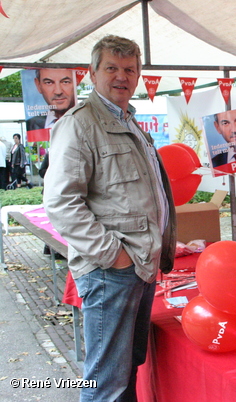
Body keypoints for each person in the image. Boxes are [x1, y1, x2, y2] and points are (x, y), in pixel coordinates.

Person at [44, 35, 177, 401]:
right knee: (106, 383)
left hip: (137, 267)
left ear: (138, 76)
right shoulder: (80, 124)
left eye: (130, 69)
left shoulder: (130, 121)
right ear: (92, 72)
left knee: (125, 371)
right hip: (111, 272)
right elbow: (61, 203)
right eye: (112, 68)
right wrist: (113, 255)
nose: (122, 76)